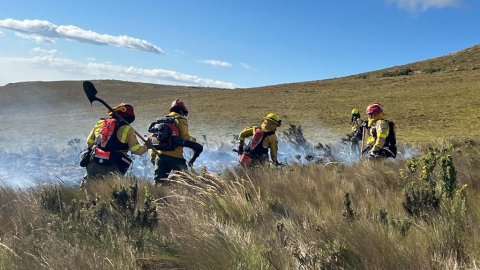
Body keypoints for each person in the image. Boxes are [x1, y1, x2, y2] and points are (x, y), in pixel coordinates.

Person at [83, 103, 150, 183]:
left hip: (94, 163)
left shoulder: (100, 123)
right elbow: (136, 150)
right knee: (110, 192)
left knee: (88, 190)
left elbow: (89, 143)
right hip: (114, 165)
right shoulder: (127, 129)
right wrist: (146, 145)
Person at [150, 99, 196, 184]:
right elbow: (184, 137)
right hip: (175, 157)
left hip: (160, 156)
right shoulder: (181, 120)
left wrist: (153, 156)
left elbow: (154, 140)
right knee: (186, 181)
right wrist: (193, 140)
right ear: (182, 110)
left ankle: (155, 196)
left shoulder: (161, 121)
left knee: (158, 184)